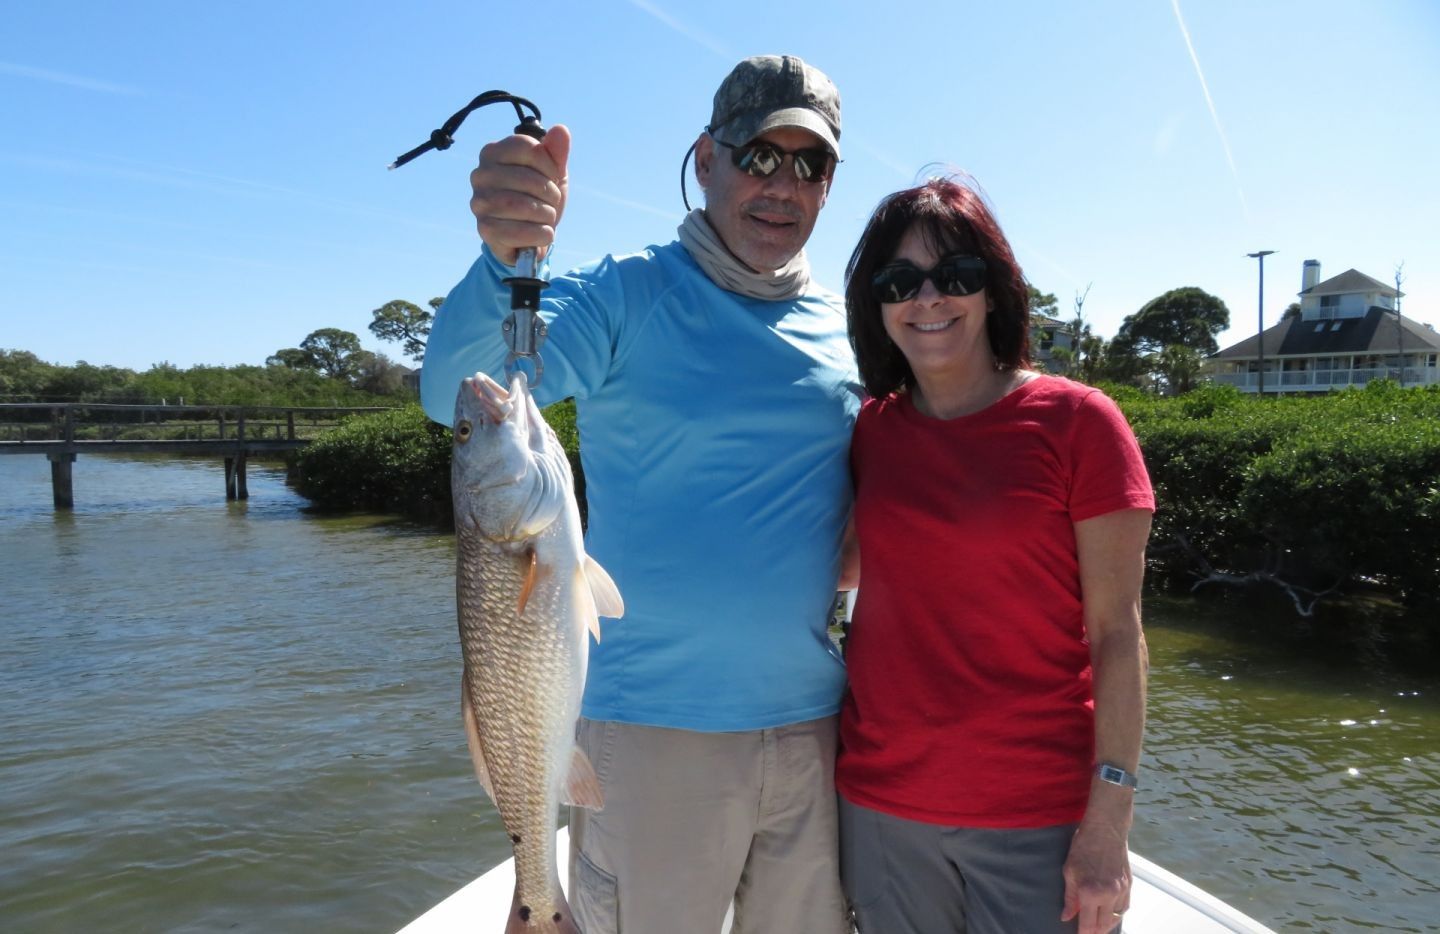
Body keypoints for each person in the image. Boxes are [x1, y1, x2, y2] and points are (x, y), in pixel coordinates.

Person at [419, 55, 859, 934]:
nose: (783, 185)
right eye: (759, 156)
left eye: (810, 164)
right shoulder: (624, 293)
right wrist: (503, 256)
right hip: (652, 733)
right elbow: (456, 391)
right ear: (706, 160)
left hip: (817, 727)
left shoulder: (850, 329)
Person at [835, 177, 1155, 934]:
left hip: (1036, 815)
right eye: (899, 281)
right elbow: (838, 568)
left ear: (992, 288)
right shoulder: (870, 430)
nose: (928, 298)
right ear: (876, 304)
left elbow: (1118, 634)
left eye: (955, 274)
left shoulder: (1079, 423)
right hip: (881, 804)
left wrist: (1109, 820)